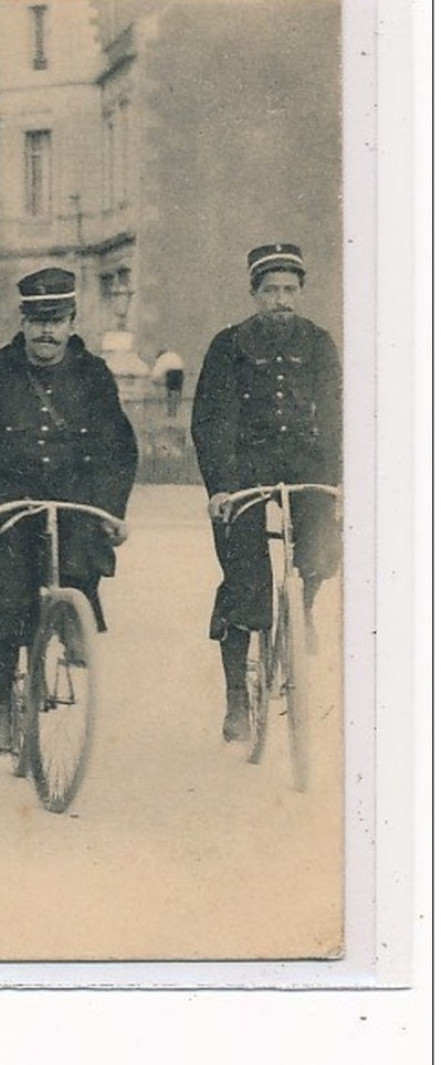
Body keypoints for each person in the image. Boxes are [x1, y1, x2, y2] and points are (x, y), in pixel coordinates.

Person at [0, 268, 138, 755]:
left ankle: (72, 618)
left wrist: (110, 509)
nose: (46, 332)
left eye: (55, 321)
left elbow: (118, 446)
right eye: (36, 321)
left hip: (73, 497)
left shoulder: (93, 375)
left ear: (72, 322)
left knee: (79, 561)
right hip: (11, 500)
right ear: (23, 322)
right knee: (3, 597)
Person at [190, 243, 342, 743]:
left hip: (305, 461)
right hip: (244, 468)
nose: (281, 300)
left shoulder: (318, 343)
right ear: (254, 294)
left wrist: (342, 482)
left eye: (290, 291)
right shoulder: (229, 345)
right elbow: (211, 423)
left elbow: (336, 416)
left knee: (322, 544)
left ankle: (304, 610)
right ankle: (237, 696)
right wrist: (222, 489)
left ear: (300, 293)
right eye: (271, 291)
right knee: (245, 581)